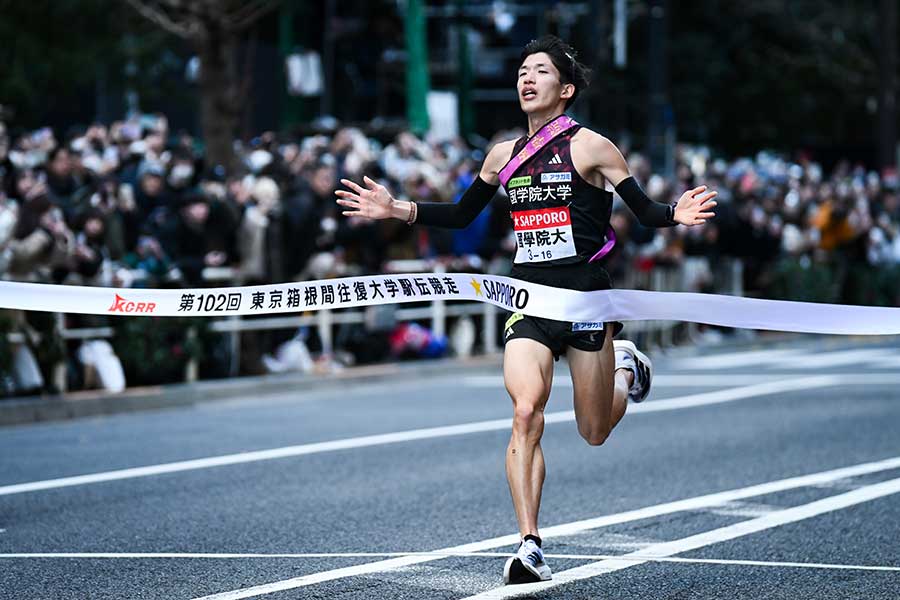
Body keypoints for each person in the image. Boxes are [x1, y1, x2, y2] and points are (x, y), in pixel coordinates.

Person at [336, 35, 717, 584]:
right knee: (524, 411)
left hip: (586, 299)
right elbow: (465, 214)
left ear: (564, 89)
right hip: (528, 299)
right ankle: (529, 544)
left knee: (593, 431)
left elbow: (644, 209)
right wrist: (399, 209)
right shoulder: (502, 156)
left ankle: (625, 365)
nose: (526, 78)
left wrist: (674, 213)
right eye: (521, 70)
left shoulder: (592, 147)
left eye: (539, 70)